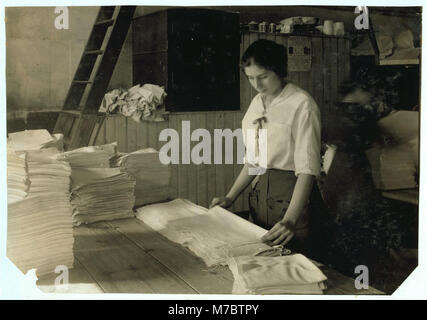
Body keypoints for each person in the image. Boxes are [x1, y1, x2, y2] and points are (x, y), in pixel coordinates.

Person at [209, 39, 323, 253]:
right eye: (250, 78)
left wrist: (290, 219)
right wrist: (230, 197)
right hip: (261, 197)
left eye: (263, 77)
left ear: (279, 71)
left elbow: (307, 169)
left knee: (300, 263)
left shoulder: (301, 104)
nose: (257, 85)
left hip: (293, 198)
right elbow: (254, 162)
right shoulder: (256, 103)